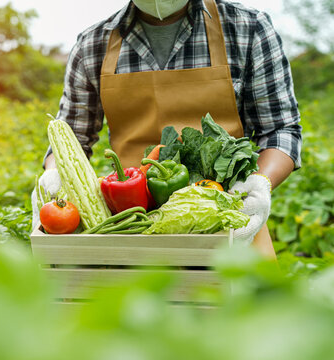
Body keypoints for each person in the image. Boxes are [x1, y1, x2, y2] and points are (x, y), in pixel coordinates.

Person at [34, 0, 301, 257]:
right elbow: (72, 138)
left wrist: (258, 185)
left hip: (231, 218)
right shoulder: (93, 44)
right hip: (131, 225)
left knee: (252, 303)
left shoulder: (246, 27)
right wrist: (55, 174)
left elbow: (280, 129)